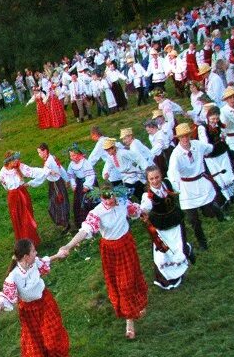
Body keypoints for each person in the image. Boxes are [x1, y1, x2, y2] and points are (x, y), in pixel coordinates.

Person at [60, 185, 148, 340]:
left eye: (111, 196)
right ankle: (129, 316)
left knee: (130, 279)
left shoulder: (123, 202)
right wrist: (68, 246)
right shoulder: (97, 213)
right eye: (105, 198)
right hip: (110, 250)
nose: (109, 200)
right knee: (120, 283)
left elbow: (136, 211)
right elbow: (85, 231)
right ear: (100, 198)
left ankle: (133, 313)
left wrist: (144, 211)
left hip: (126, 245)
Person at [0, 239, 72, 357]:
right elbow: (7, 298)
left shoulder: (35, 262)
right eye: (33, 251)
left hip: (45, 303)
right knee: (39, 340)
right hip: (29, 311)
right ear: (26, 256)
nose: (36, 252)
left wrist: (58, 255)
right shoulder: (12, 277)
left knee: (53, 336)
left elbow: (44, 261)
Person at [167, 123, 228, 250]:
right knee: (193, 219)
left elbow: (210, 148)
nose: (185, 139)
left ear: (190, 135)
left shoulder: (198, 145)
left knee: (209, 210)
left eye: (186, 135)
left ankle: (218, 212)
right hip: (187, 188)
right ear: (178, 138)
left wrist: (221, 142)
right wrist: (176, 188)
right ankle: (202, 242)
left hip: (201, 182)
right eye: (181, 137)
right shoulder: (176, 154)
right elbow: (172, 173)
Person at [140, 166, 193, 290]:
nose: (155, 181)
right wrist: (140, 213)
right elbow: (143, 210)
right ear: (148, 180)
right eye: (151, 179)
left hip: (175, 221)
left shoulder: (168, 184)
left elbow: (178, 189)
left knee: (179, 247)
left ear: (161, 176)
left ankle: (182, 264)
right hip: (161, 227)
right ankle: (166, 278)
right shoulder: (148, 197)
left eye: (157, 177)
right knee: (163, 254)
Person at [0, 151, 49, 246]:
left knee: (27, 217)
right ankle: (23, 243)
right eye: (15, 160)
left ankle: (31, 241)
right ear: (9, 162)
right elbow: (6, 187)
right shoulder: (2, 173)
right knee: (17, 219)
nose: (17, 161)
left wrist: (47, 170)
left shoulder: (19, 166)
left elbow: (32, 171)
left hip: (23, 195)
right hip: (13, 198)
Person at [199, 105, 234, 205]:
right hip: (211, 156)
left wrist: (222, 137)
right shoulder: (202, 127)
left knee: (227, 173)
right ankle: (227, 196)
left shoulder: (219, 126)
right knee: (218, 177)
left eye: (217, 118)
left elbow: (224, 135)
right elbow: (204, 142)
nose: (215, 121)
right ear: (208, 117)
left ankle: (231, 193)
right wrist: (210, 148)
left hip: (222, 152)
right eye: (212, 118)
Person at [36, 143, 71, 234]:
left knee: (59, 203)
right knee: (57, 203)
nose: (39, 155)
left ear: (45, 151)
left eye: (40, 152)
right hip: (55, 183)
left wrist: (31, 183)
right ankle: (64, 222)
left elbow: (43, 175)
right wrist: (67, 180)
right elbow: (61, 168)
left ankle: (65, 224)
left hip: (56, 185)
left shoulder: (49, 162)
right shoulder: (51, 157)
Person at [65, 144, 97, 226]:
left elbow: (91, 175)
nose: (73, 157)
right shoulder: (71, 164)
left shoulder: (85, 163)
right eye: (71, 156)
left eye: (74, 155)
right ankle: (82, 222)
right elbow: (71, 175)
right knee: (79, 202)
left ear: (79, 154)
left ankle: (94, 220)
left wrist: (86, 186)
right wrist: (73, 184)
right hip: (79, 183)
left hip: (89, 183)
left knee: (90, 201)